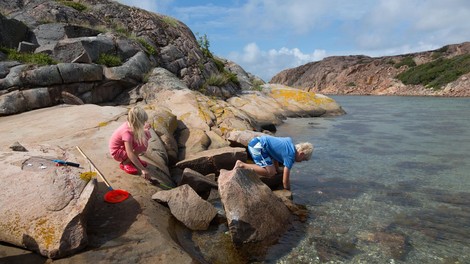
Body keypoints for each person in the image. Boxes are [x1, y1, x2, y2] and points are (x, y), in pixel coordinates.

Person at [234, 135, 313, 190]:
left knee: (274, 171)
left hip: (257, 142)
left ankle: (245, 165)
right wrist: (287, 189)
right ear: (301, 154)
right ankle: (242, 165)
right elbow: (285, 181)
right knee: (270, 173)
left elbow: (276, 155)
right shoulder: (290, 156)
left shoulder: (289, 144)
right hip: (257, 147)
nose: (301, 162)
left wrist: (277, 169)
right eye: (303, 159)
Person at [109, 106, 151, 180]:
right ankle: (125, 163)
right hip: (117, 152)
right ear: (137, 122)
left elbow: (136, 132)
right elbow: (130, 153)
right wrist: (142, 169)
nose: (144, 123)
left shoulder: (130, 124)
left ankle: (134, 159)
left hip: (123, 147)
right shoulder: (126, 133)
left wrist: (145, 128)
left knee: (146, 134)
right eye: (142, 122)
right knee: (142, 144)